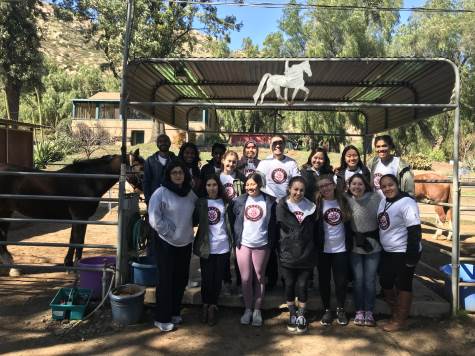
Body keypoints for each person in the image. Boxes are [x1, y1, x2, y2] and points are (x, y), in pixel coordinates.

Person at [148, 160, 198, 332]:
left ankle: (175, 312)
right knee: (165, 281)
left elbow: (197, 212)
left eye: (181, 172)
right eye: (174, 172)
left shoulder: (190, 193)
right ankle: (161, 317)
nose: (178, 175)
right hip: (166, 243)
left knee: (180, 280)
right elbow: (154, 218)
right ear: (169, 175)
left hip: (185, 243)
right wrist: (168, 232)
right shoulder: (160, 193)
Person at [377, 174, 422, 332]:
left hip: (403, 250)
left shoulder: (407, 202)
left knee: (404, 283)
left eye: (391, 185)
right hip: (388, 251)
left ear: (397, 184)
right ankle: (395, 312)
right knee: (386, 281)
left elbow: (414, 230)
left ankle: (400, 320)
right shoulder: (384, 201)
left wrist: (411, 256)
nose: (387, 188)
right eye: (384, 186)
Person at [232, 173, 277, 327]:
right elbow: (233, 220)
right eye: (247, 184)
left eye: (253, 184)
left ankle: (257, 310)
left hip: (262, 244)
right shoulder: (239, 201)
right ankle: (248, 309)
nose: (250, 187)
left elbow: (274, 223)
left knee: (259, 277)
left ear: (259, 184)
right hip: (243, 244)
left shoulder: (270, 201)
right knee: (245, 278)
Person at [256, 135, 300, 289]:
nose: (278, 146)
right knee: (270, 243)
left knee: (286, 243)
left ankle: (286, 278)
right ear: (270, 145)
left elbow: (297, 183)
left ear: (284, 145)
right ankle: (271, 278)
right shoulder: (264, 163)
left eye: (281, 143)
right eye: (275, 143)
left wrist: (288, 200)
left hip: (287, 208)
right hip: (269, 207)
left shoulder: (291, 163)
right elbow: (258, 183)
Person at [276, 176, 318, 333]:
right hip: (287, 253)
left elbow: (314, 230)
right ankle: (292, 312)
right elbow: (279, 228)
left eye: (301, 190)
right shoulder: (282, 205)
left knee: (302, 285)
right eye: (295, 189)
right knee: (289, 284)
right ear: (289, 189)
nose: (298, 193)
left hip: (306, 253)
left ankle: (301, 314)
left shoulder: (311, 207)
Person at [193, 174, 234, 326]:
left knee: (217, 279)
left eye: (214, 185)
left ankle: (213, 306)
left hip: (222, 246)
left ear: (219, 186)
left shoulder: (225, 203)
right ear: (205, 187)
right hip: (206, 247)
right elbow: (192, 219)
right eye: (209, 185)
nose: (212, 188)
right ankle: (205, 304)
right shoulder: (201, 202)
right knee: (206, 278)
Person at [315, 174, 353, 326]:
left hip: (341, 248)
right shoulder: (317, 203)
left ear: (334, 185)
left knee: (341, 281)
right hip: (323, 249)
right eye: (322, 186)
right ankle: (326, 310)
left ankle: (340, 309)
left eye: (328, 184)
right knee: (324, 280)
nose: (325, 188)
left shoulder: (343, 201)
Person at [346, 173, 382, 327]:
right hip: (355, 245)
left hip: (373, 244)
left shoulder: (375, 198)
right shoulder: (345, 199)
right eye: (353, 184)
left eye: (360, 184)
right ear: (349, 185)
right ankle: (359, 310)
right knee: (358, 280)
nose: (356, 187)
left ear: (365, 185)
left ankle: (369, 311)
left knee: (370, 280)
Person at [219, 150, 245, 294]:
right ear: (223, 160)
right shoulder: (217, 177)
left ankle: (241, 282)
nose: (231, 164)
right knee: (224, 249)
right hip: (221, 216)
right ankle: (226, 281)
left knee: (238, 250)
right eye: (228, 161)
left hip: (238, 216)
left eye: (234, 162)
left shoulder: (241, 177)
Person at [143, 134, 177, 204]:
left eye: (166, 141)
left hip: (172, 199)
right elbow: (146, 181)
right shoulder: (150, 161)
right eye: (160, 141)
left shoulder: (176, 160)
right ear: (157, 144)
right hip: (154, 198)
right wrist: (147, 198)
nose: (163, 143)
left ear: (170, 143)